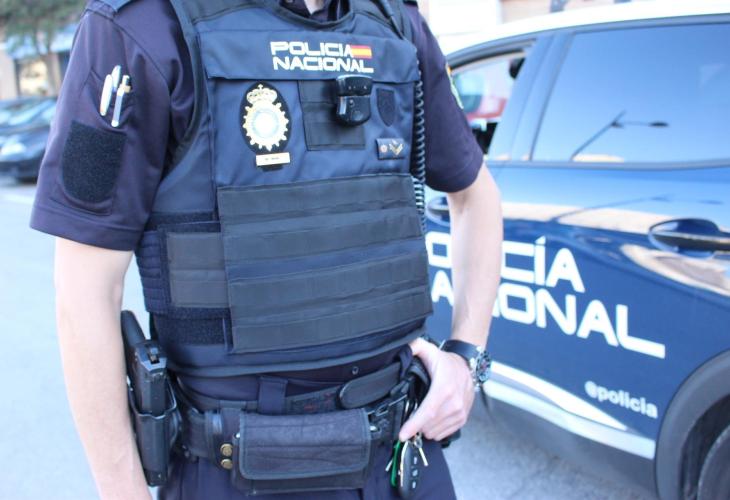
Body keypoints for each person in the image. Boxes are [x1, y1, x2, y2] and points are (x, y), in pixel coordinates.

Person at [30, 0, 503, 498]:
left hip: (402, 455)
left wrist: (465, 359)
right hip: (235, 467)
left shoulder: (394, 23)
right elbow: (84, 291)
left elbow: (477, 196)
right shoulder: (144, 25)